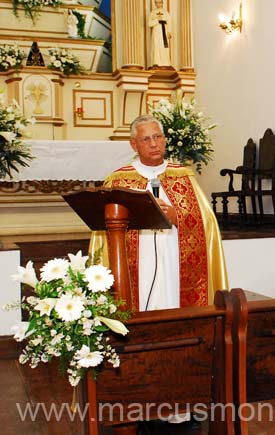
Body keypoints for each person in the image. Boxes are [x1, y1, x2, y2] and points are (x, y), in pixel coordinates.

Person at [89, 114, 228, 311]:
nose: (154, 144)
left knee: (172, 299)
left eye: (158, 137)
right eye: (146, 139)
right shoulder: (118, 180)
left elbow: (208, 223)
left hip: (175, 253)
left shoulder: (183, 176)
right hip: (137, 260)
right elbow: (103, 229)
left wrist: (176, 217)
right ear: (134, 145)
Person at [148, 0, 172, 67]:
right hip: (156, 31)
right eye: (157, 2)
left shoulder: (166, 13)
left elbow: (169, 22)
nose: (158, 4)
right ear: (155, 4)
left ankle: (166, 63)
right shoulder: (153, 13)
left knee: (164, 47)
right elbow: (149, 24)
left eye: (160, 2)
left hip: (164, 31)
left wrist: (169, 32)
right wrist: (157, 20)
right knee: (156, 46)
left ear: (162, 3)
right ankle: (156, 62)